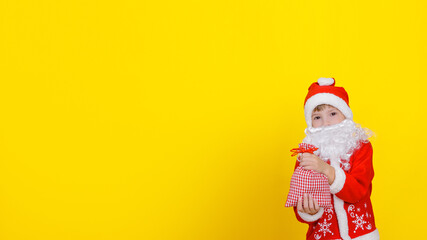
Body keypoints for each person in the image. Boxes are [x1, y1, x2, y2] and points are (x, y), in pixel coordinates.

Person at [292, 78, 379, 240]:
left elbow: (358, 192)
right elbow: (299, 200)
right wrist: (309, 211)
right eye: (317, 117)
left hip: (360, 235)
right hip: (323, 235)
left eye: (332, 114)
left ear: (345, 115)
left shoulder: (360, 146)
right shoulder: (305, 153)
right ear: (310, 122)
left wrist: (325, 169)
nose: (326, 123)